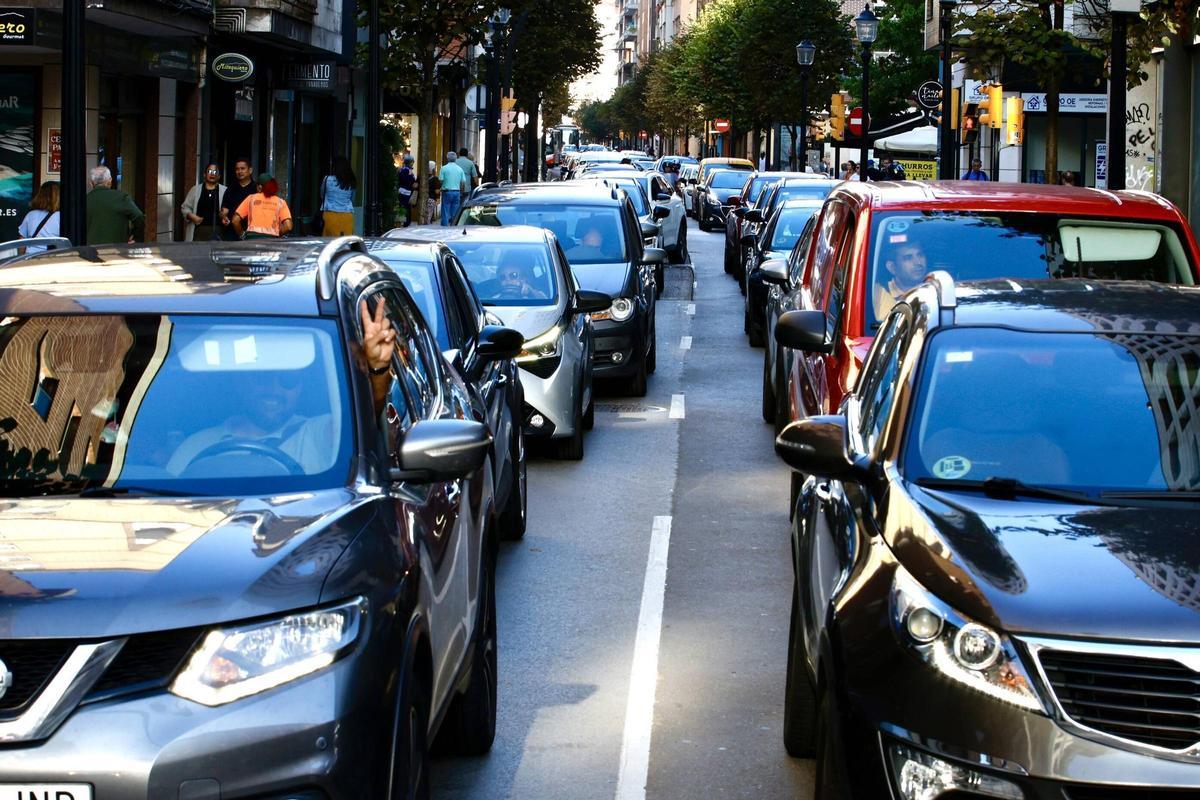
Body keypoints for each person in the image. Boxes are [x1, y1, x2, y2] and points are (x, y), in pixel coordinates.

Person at [86, 165, 144, 245]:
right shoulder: (121, 197)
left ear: (91, 184)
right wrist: (135, 236)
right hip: (117, 251)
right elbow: (139, 216)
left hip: (91, 251)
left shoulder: (84, 201)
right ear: (110, 181)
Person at [874, 240, 928, 319]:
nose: (918, 262)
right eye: (908, 258)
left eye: (920, 255)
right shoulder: (877, 293)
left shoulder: (937, 290)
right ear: (892, 267)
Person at [232, 173, 292, 239]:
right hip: (272, 240)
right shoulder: (280, 202)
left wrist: (242, 235)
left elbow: (235, 221)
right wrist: (278, 234)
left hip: (251, 240)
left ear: (259, 187)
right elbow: (288, 226)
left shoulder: (251, 198)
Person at [180, 164, 226, 242]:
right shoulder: (195, 190)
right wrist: (191, 216)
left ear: (219, 176)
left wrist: (225, 216)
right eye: (210, 171)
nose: (212, 174)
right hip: (198, 231)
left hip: (218, 232)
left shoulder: (225, 190)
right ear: (204, 174)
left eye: (215, 172)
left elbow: (229, 210)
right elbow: (185, 208)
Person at [17, 180, 60, 252]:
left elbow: (22, 243)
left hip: (31, 257)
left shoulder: (31, 215)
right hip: (52, 258)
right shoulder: (61, 216)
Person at [220, 158, 256, 240]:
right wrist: (223, 217)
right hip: (232, 234)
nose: (239, 171)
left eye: (243, 168)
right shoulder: (230, 189)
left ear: (250, 170)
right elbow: (224, 210)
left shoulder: (256, 189)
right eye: (237, 169)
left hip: (252, 234)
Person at [320, 157, 357, 236]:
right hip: (347, 215)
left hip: (330, 214)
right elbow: (352, 200)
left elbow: (322, 194)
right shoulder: (351, 182)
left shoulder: (327, 179)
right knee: (345, 242)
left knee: (329, 242)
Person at [439, 152, 466, 226]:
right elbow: (463, 182)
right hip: (457, 192)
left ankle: (444, 227)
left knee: (445, 211)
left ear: (447, 158)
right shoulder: (460, 169)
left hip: (446, 191)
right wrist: (461, 192)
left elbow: (441, 180)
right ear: (456, 159)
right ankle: (453, 226)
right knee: (455, 212)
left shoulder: (444, 168)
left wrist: (442, 185)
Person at [397, 155, 417, 227]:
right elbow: (412, 181)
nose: (413, 163)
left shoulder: (401, 169)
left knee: (402, 206)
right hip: (407, 192)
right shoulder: (408, 170)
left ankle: (401, 221)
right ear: (411, 162)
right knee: (407, 208)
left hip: (401, 190)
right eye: (413, 161)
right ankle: (406, 222)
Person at [423, 160, 441, 225]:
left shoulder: (421, 176)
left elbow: (415, 185)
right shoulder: (435, 179)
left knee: (423, 215)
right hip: (431, 199)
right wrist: (438, 199)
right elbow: (437, 191)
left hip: (422, 199)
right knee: (429, 216)